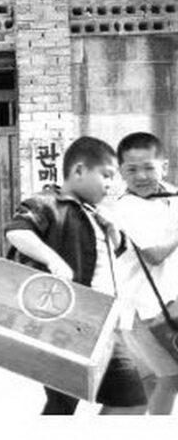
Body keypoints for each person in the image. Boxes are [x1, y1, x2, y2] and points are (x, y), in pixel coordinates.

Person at [4, 136, 147, 415]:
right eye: (106, 175)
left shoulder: (96, 214)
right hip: (67, 324)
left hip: (104, 324)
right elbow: (17, 231)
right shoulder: (48, 202)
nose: (110, 184)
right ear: (79, 170)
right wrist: (54, 260)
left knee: (133, 397)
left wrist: (113, 231)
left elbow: (115, 254)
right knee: (64, 404)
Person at [114, 132, 178, 415]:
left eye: (148, 168)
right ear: (120, 171)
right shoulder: (126, 207)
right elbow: (155, 254)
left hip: (169, 306)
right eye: (131, 169)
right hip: (145, 311)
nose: (141, 176)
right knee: (168, 379)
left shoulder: (172, 195)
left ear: (164, 166)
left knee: (156, 381)